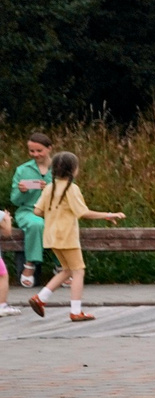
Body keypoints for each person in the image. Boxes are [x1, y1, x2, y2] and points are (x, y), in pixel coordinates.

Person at [29, 151, 124, 321]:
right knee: (78, 271)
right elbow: (83, 212)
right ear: (73, 170)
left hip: (51, 236)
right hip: (67, 236)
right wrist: (108, 215)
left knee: (66, 270)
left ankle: (40, 298)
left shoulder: (50, 187)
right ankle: (75, 311)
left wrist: (54, 213)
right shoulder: (72, 189)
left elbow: (37, 210)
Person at [10, 131, 51, 290]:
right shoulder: (22, 170)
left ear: (49, 149)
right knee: (36, 224)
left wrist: (49, 188)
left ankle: (61, 265)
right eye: (31, 151)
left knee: (60, 223)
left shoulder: (60, 167)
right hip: (28, 211)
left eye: (39, 150)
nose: (35, 154)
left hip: (53, 210)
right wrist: (22, 191)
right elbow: (14, 200)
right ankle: (30, 264)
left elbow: (69, 191)